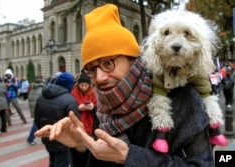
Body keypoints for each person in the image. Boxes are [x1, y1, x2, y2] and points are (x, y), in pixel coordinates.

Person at [35, 4, 214, 167]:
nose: (100, 78)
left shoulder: (183, 100)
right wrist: (82, 147)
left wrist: (130, 156)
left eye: (108, 63)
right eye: (91, 69)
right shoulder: (103, 110)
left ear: (132, 60)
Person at [34, 72, 79, 167]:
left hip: (47, 137)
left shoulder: (42, 96)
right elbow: (75, 122)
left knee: (52, 161)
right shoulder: (70, 99)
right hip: (63, 140)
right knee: (61, 163)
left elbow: (36, 118)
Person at [26, 76, 43, 145]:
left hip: (34, 109)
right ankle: (30, 138)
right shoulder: (41, 90)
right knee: (36, 124)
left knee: (38, 123)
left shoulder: (32, 90)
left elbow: (29, 100)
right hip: (39, 110)